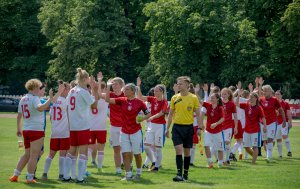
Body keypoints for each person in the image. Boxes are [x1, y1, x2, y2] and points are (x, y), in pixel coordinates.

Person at [9, 79, 53, 183]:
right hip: (36, 130)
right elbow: (40, 108)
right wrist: (50, 99)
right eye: (38, 87)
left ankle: (15, 175)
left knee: (26, 154)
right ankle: (29, 178)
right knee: (34, 155)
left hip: (27, 129)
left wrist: (18, 129)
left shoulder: (23, 99)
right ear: (34, 88)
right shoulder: (35, 98)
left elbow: (19, 116)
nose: (39, 90)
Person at [106, 83, 151, 181]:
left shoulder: (139, 102)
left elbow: (148, 113)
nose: (124, 91)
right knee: (125, 153)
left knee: (136, 153)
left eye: (126, 90)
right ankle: (128, 175)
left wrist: (142, 118)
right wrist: (108, 87)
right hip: (124, 131)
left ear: (132, 91)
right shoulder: (121, 100)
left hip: (136, 131)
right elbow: (107, 100)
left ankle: (138, 173)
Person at [63, 68, 99, 183]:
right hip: (82, 125)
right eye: (88, 78)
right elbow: (94, 106)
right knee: (83, 152)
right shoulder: (83, 91)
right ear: (85, 79)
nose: (89, 79)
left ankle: (66, 176)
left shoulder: (72, 90)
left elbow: (68, 107)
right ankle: (80, 178)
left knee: (71, 151)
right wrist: (94, 90)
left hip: (73, 125)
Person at [166, 76, 201, 182]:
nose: (178, 85)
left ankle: (185, 174)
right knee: (178, 150)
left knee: (187, 153)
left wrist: (199, 127)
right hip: (177, 128)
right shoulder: (174, 98)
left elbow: (198, 114)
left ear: (187, 85)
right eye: (178, 83)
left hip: (189, 128)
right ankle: (178, 174)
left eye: (180, 83)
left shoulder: (193, 98)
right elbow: (170, 114)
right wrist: (167, 128)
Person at [136, 77, 168, 172]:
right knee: (146, 146)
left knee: (158, 148)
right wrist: (138, 86)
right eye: (155, 91)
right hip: (151, 126)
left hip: (160, 126)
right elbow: (140, 97)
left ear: (162, 92)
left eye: (157, 91)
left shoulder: (165, 102)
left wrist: (152, 117)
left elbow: (162, 113)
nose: (155, 93)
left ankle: (156, 167)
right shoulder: (152, 99)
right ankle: (154, 162)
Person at [41, 81, 70, 180]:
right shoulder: (65, 101)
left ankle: (44, 173)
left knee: (51, 154)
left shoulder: (53, 101)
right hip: (64, 132)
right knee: (63, 154)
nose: (69, 91)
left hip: (54, 131)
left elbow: (51, 118)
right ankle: (61, 175)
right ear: (64, 89)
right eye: (68, 89)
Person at [236, 91, 266, 164]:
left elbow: (263, 117)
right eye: (250, 97)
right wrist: (238, 96)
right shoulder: (246, 105)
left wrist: (265, 126)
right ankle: (254, 155)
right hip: (246, 130)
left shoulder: (259, 108)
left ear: (256, 99)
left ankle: (253, 162)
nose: (251, 98)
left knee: (255, 146)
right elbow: (236, 104)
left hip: (255, 131)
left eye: (252, 97)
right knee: (246, 147)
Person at [259, 84, 286, 162]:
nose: (264, 92)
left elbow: (281, 110)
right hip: (262, 123)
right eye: (263, 91)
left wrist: (284, 120)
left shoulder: (274, 100)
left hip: (272, 122)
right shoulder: (261, 99)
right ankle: (268, 154)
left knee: (270, 139)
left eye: (266, 90)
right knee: (265, 140)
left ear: (270, 91)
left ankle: (269, 156)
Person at [89, 78, 109, 172]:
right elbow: (100, 94)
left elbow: (95, 93)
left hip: (90, 127)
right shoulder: (105, 100)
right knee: (101, 148)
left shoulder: (90, 98)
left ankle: (84, 167)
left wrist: (93, 85)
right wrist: (99, 82)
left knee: (89, 148)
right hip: (101, 127)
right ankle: (100, 167)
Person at [201, 93, 225, 168]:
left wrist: (216, 124)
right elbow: (199, 101)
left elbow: (222, 118)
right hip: (208, 131)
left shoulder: (220, 108)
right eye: (211, 98)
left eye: (213, 98)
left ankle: (220, 163)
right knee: (206, 145)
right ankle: (210, 161)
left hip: (218, 131)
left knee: (220, 148)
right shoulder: (208, 105)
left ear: (217, 99)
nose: (211, 99)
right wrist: (195, 91)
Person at [221, 88, 238, 165]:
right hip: (220, 126)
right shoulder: (219, 103)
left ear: (229, 95)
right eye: (222, 94)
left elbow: (235, 116)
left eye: (225, 94)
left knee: (227, 142)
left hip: (228, 126)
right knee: (219, 143)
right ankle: (220, 159)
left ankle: (227, 159)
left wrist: (236, 127)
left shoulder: (232, 104)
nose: (224, 95)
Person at [274, 90, 293, 157]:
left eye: (278, 94)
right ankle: (280, 155)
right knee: (278, 139)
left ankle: (289, 151)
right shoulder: (273, 103)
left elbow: (288, 113)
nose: (276, 95)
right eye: (276, 94)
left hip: (284, 122)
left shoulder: (285, 103)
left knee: (284, 136)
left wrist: (290, 122)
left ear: (281, 95)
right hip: (276, 123)